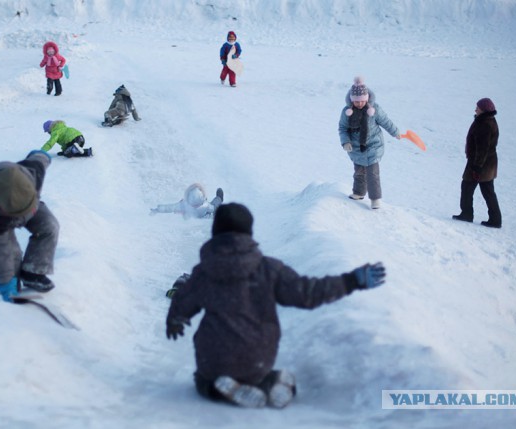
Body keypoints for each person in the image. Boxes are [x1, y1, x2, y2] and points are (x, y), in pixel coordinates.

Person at [165, 203, 386, 409]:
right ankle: (267, 383)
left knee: (203, 379)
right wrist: (351, 281)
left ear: (215, 233)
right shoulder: (269, 269)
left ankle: (218, 388)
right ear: (249, 234)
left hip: (214, 359)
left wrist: (175, 319)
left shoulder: (203, 273)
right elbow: (308, 293)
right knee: (266, 372)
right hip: (257, 359)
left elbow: (182, 300)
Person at [0, 150, 59, 301]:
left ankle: (33, 271)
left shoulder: (34, 171)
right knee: (11, 252)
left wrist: (42, 154)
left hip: (30, 204)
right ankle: (13, 285)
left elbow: (40, 158)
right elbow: (0, 251)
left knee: (49, 226)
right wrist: (5, 283)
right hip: (2, 219)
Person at [338, 77, 401, 209]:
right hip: (355, 148)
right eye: (356, 101)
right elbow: (343, 128)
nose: (359, 104)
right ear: (351, 100)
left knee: (372, 174)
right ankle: (358, 193)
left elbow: (385, 121)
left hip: (373, 145)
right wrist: (345, 142)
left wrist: (395, 132)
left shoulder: (374, 109)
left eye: (362, 100)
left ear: (367, 98)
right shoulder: (347, 112)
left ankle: (375, 199)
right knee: (359, 172)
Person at [452, 98, 502, 228]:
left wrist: (476, 167)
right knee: (488, 191)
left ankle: (467, 214)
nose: (475, 109)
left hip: (480, 163)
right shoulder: (488, 120)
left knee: (467, 187)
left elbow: (482, 148)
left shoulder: (484, 124)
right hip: (488, 163)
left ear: (484, 110)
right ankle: (495, 219)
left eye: (478, 108)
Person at [150, 183, 223, 219]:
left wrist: (156, 210)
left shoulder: (205, 206)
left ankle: (219, 197)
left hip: (207, 214)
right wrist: (157, 210)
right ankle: (219, 198)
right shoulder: (185, 205)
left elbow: (169, 208)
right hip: (202, 215)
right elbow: (169, 208)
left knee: (215, 204)